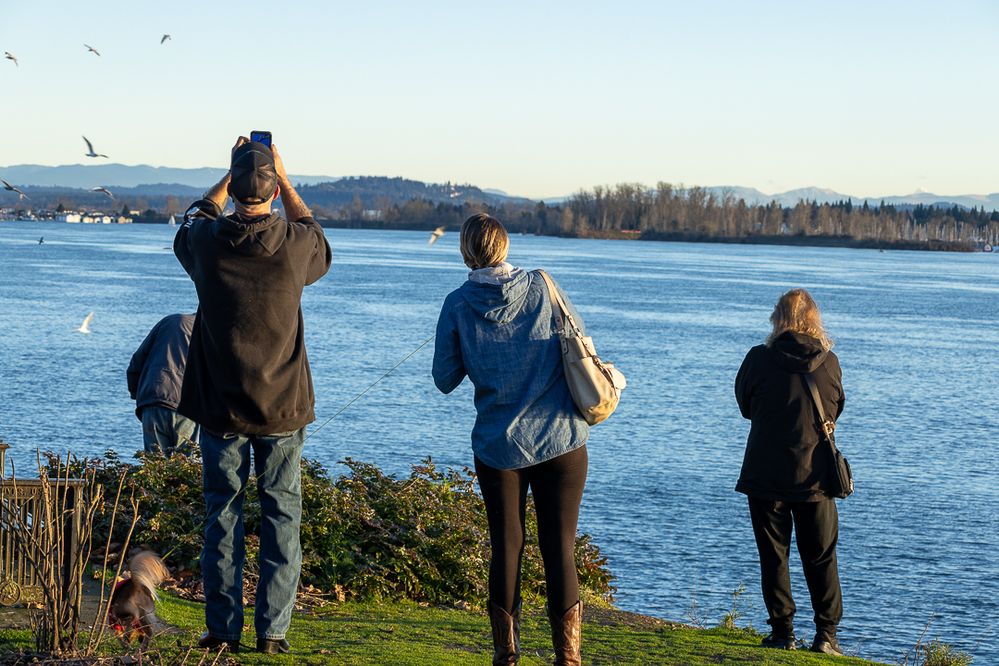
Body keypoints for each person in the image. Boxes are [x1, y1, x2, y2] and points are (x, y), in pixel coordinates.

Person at [174, 137, 332, 655]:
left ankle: (223, 630)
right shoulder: (294, 245)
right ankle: (273, 633)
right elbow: (317, 236)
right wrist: (282, 176)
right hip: (283, 406)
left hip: (220, 404)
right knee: (283, 517)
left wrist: (231, 174)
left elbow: (193, 218)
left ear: (236, 190)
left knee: (222, 516)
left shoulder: (207, 243)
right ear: (272, 191)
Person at [432, 213, 589, 666]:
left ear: (466, 252)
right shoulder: (543, 285)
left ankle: (506, 655)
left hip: (499, 447)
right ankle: (569, 658)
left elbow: (444, 378)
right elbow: (577, 340)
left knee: (506, 545)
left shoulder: (458, 304)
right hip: (561, 438)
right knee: (559, 547)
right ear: (504, 245)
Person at [735, 289, 846, 656]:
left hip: (765, 474)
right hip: (815, 476)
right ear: (814, 319)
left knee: (774, 556)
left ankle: (783, 632)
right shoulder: (829, 362)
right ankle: (826, 635)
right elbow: (835, 408)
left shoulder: (757, 358)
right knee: (821, 557)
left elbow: (746, 406)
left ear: (777, 318)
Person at [126, 313, 199, 455]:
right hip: (185, 406)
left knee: (155, 467)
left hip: (152, 401)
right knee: (184, 466)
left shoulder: (169, 321)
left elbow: (136, 363)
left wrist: (137, 393)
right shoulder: (210, 330)